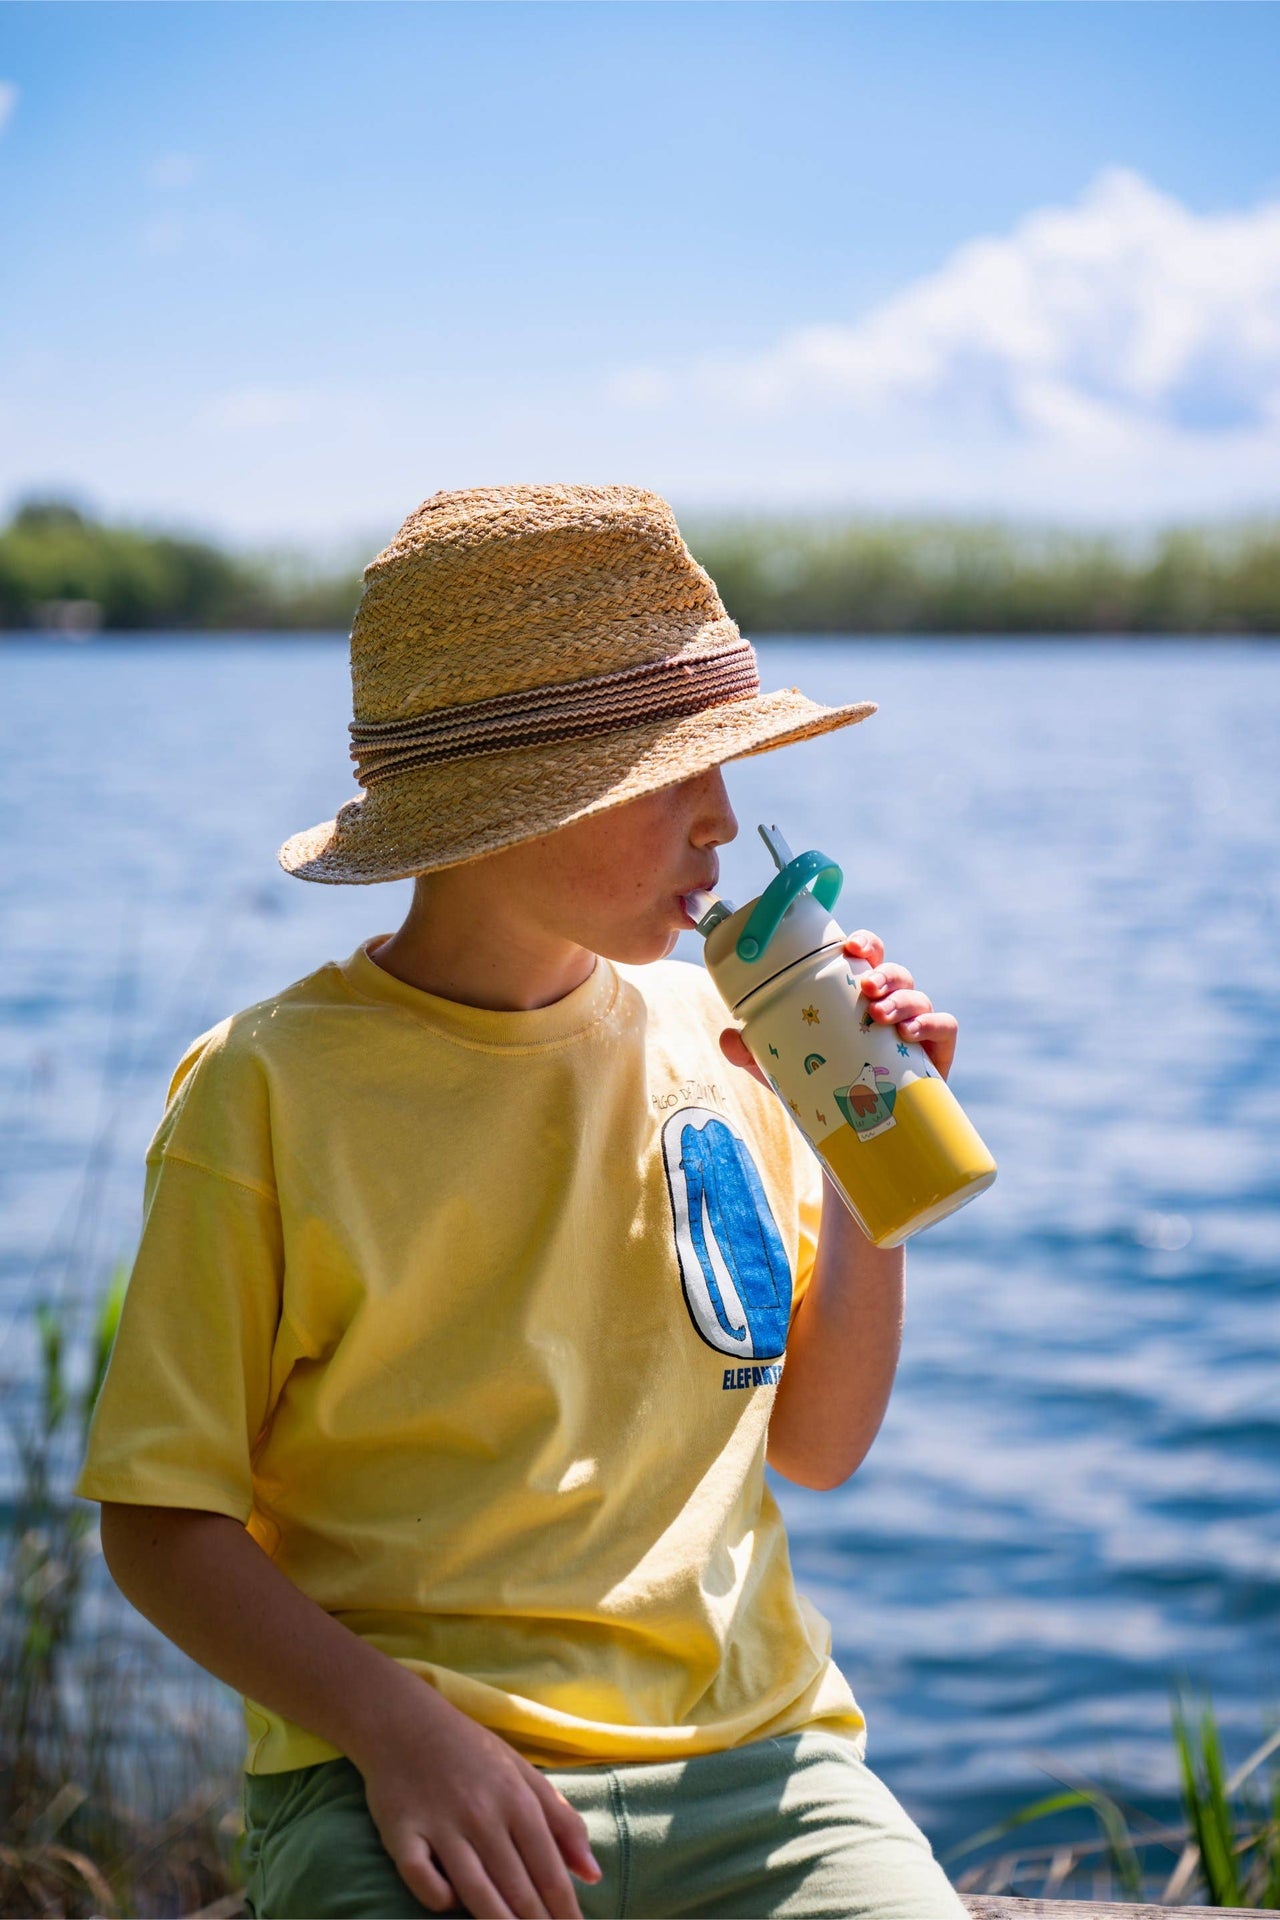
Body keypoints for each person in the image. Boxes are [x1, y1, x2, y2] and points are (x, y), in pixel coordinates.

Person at [75, 485, 969, 1920]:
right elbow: (157, 1524)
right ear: (506, 803)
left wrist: (869, 1158)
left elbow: (818, 1444)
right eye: (672, 775)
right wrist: (396, 1732)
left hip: (759, 1764)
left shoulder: (726, 1047)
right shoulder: (269, 1091)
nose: (724, 823)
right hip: (403, 1777)